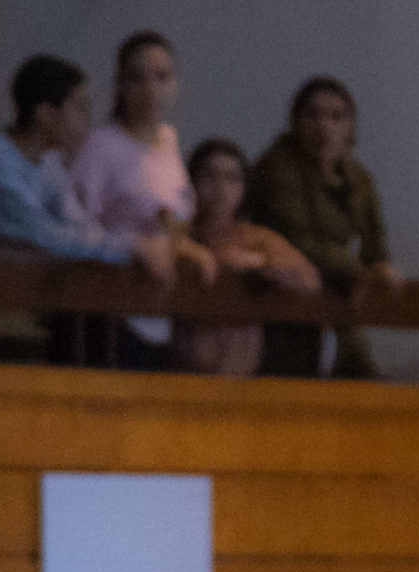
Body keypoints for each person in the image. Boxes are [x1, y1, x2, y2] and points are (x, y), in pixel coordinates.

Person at [0, 54, 177, 354]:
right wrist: (133, 245)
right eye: (80, 107)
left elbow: (77, 224)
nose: (88, 119)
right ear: (46, 114)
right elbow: (46, 236)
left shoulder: (47, 162)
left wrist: (141, 245)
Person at [67, 31, 216, 362]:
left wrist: (186, 246)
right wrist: (133, 244)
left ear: (175, 85)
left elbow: (172, 218)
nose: (151, 90)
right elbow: (75, 224)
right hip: (111, 306)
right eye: (137, 78)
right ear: (121, 86)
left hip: (162, 306)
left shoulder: (169, 140)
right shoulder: (102, 146)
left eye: (161, 77)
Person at [247, 75, 399, 380]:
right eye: (312, 115)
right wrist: (357, 270)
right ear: (296, 122)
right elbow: (296, 239)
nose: (324, 126)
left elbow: (375, 243)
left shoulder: (358, 179)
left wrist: (382, 268)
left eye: (336, 117)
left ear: (350, 126)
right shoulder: (277, 168)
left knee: (368, 389)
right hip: (284, 309)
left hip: (341, 310)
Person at [171, 137, 320, 376]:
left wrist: (258, 262)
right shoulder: (179, 234)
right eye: (210, 175)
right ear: (193, 180)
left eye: (232, 178)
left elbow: (309, 279)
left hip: (240, 375)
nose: (220, 188)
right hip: (179, 372)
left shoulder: (256, 239)